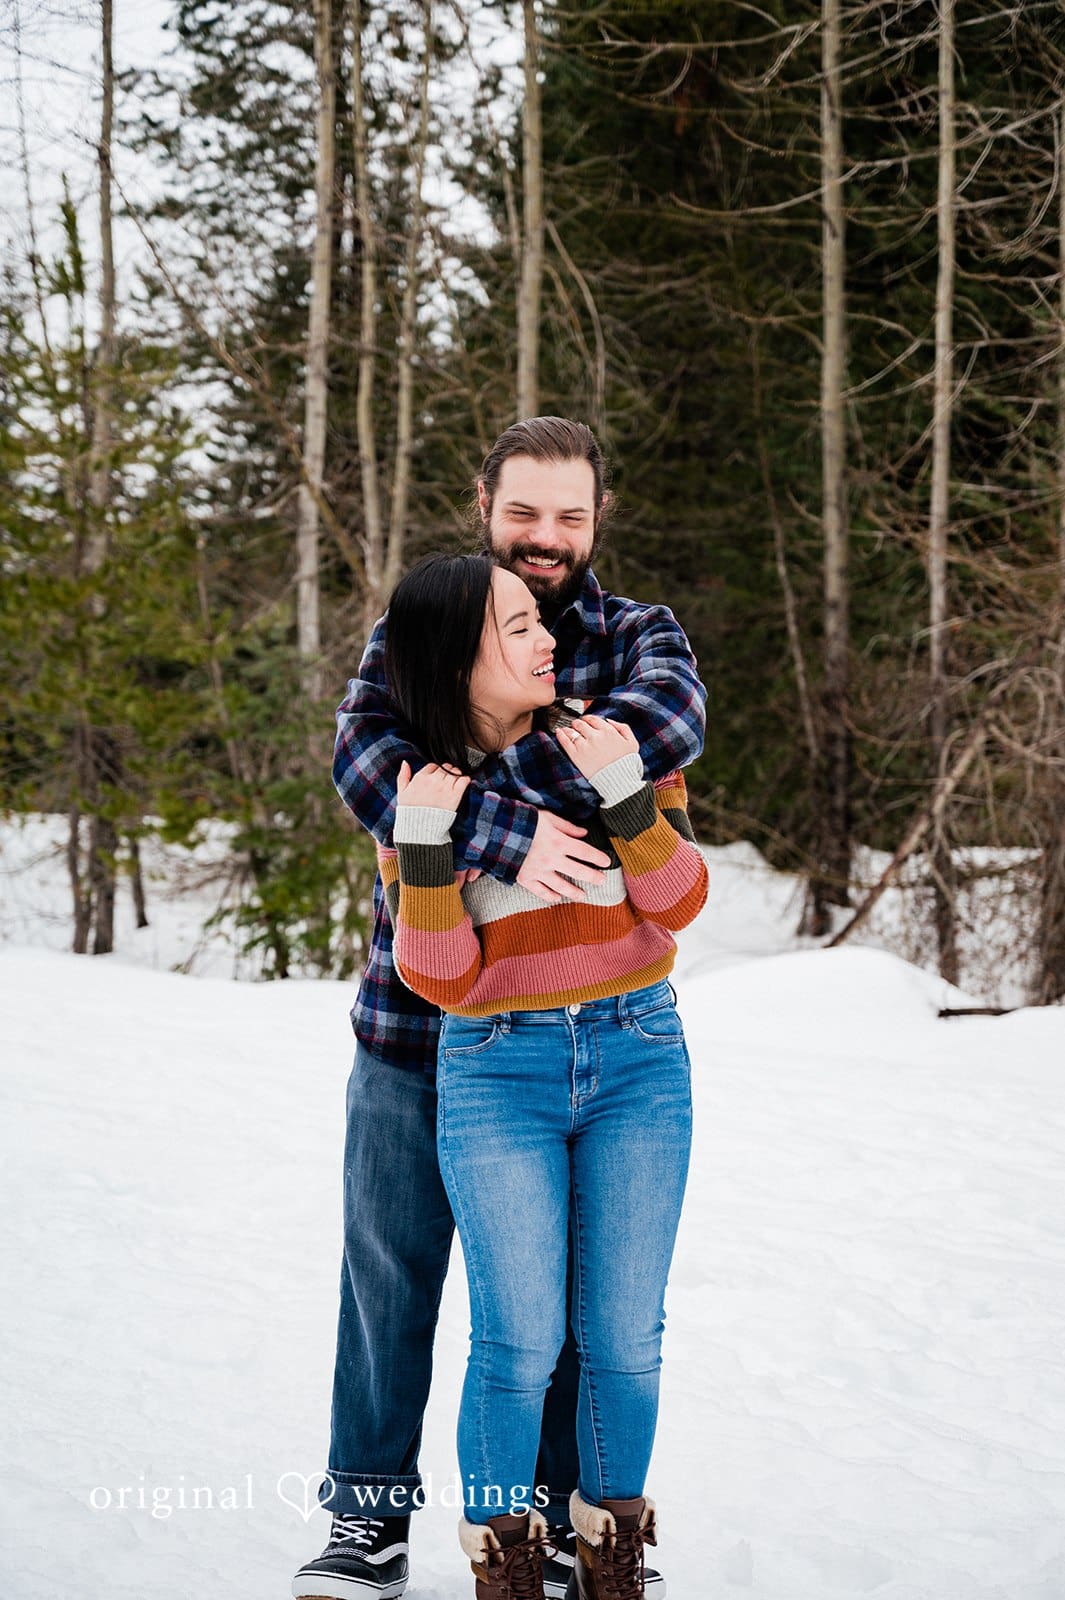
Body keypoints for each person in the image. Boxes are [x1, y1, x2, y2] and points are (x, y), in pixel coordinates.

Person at [293, 418, 707, 1600]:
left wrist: (468, 785)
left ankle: (567, 1528)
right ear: (485, 503)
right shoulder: (419, 626)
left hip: (580, 1017)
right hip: (415, 1023)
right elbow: (369, 772)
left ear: (596, 518)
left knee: (568, 1310)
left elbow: (658, 733)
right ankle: (366, 1524)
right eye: (525, 512)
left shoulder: (638, 634)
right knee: (391, 1281)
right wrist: (521, 830)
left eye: (570, 516)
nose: (547, 539)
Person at [382, 551, 707, 1600]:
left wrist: (624, 792)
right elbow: (438, 976)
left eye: (542, 622)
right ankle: (505, 1563)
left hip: (637, 1055)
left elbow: (681, 899)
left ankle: (612, 1555)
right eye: (517, 626)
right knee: (519, 1337)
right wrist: (427, 847)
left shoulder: (608, 743)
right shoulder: (429, 794)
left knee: (624, 1336)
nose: (548, 640)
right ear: (456, 657)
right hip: (496, 1070)